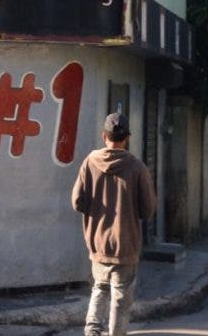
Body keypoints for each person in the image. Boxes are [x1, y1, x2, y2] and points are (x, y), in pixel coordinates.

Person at [72, 113, 156, 336]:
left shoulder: (90, 162)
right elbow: (148, 210)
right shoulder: (137, 168)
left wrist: (97, 210)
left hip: (97, 243)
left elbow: (77, 201)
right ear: (126, 138)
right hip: (126, 245)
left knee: (99, 288)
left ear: (104, 136)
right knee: (120, 296)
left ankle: (91, 331)